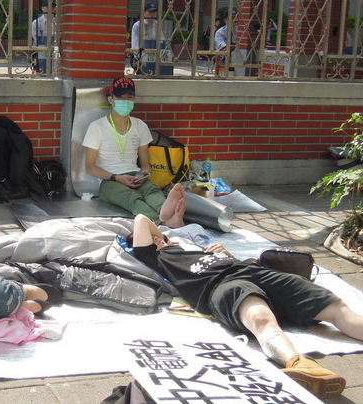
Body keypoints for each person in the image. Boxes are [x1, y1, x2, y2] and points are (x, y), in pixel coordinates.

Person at [129, 213, 363, 398]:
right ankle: (299, 364)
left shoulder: (189, 246)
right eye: (151, 238)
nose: (156, 238)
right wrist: (162, 240)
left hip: (252, 270)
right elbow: (141, 219)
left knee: (332, 306)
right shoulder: (156, 257)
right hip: (220, 285)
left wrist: (223, 253)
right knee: (260, 317)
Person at [82, 77, 186, 228]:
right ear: (111, 99)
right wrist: (117, 178)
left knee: (151, 189)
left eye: (129, 97)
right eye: (120, 97)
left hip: (134, 175)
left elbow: (145, 164)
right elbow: (90, 167)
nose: (125, 101)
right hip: (109, 181)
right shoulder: (97, 127)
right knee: (132, 198)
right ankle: (163, 222)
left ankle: (166, 212)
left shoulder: (140, 126)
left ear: (134, 99)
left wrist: (144, 174)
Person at [130, 2, 166, 74]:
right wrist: (140, 58)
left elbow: (163, 42)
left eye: (154, 12)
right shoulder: (138, 25)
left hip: (156, 57)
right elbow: (135, 45)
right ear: (144, 13)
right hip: (141, 57)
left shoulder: (157, 25)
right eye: (150, 12)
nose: (152, 15)